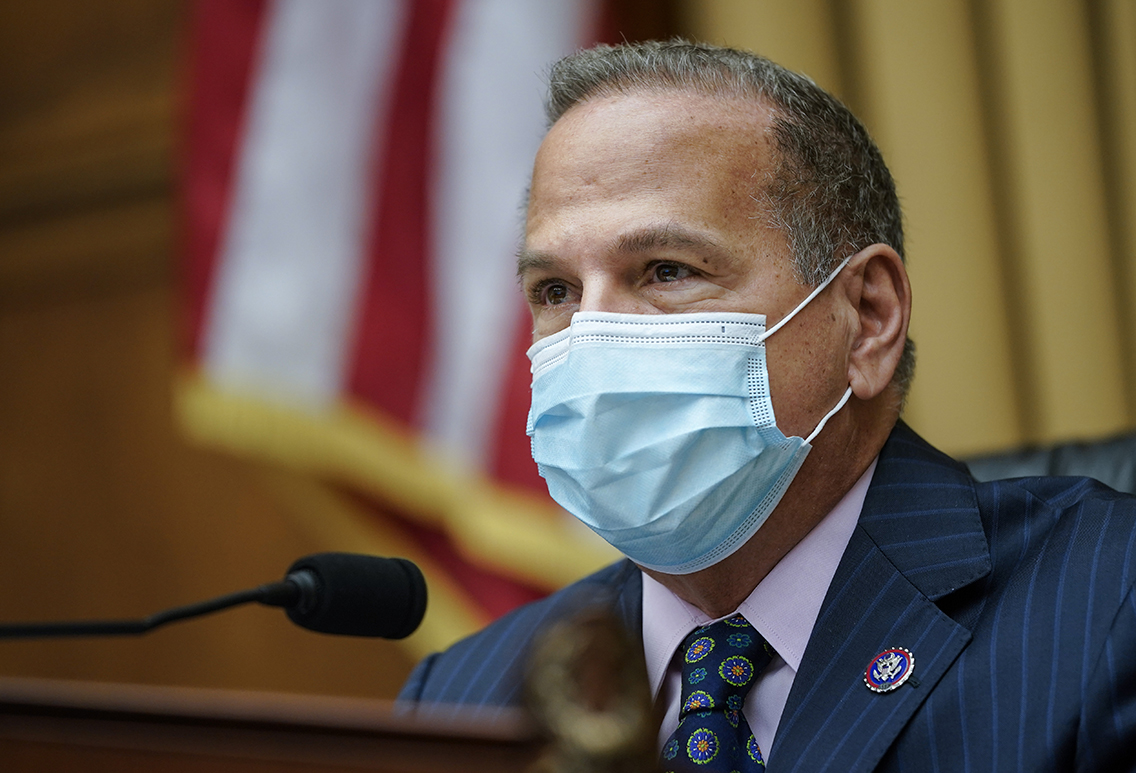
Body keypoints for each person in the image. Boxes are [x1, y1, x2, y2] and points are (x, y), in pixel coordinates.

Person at [398, 40, 1136, 771]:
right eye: (555, 291)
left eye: (665, 270)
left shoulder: (1109, 601)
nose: (592, 338)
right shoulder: (465, 700)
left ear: (868, 319)